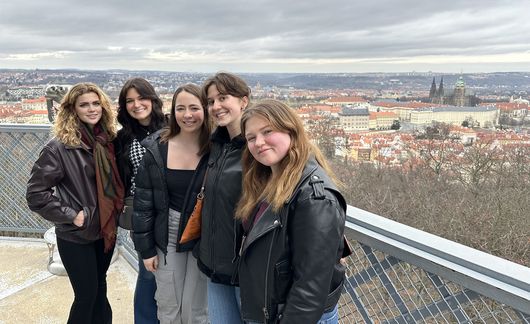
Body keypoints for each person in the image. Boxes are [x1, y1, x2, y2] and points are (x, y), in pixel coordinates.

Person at [235, 99, 347, 324]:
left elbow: (310, 287)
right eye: (251, 137)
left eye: (268, 131)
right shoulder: (267, 179)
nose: (259, 142)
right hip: (272, 309)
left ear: (291, 130)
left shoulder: (316, 197)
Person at [26, 82, 124, 324]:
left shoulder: (107, 141)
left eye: (95, 103)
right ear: (73, 110)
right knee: (86, 296)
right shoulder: (59, 147)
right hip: (76, 234)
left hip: (105, 230)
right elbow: (36, 194)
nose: (91, 109)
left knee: (100, 289)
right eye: (84, 105)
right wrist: (73, 215)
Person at [132, 84, 210, 324]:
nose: (187, 115)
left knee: (198, 307)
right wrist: (146, 250)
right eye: (181, 108)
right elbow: (143, 204)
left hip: (204, 230)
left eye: (194, 108)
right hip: (168, 229)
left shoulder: (218, 148)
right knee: (168, 302)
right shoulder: (157, 149)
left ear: (205, 110)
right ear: (172, 112)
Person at [195, 72, 250, 324]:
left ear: (244, 101)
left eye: (223, 98)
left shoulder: (258, 146)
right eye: (210, 101)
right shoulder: (215, 144)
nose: (216, 106)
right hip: (215, 264)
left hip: (248, 268)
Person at [114, 77, 166, 324]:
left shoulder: (172, 128)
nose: (136, 105)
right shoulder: (123, 138)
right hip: (141, 212)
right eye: (130, 101)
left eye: (141, 98)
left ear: (152, 99)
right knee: (148, 274)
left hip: (173, 208)